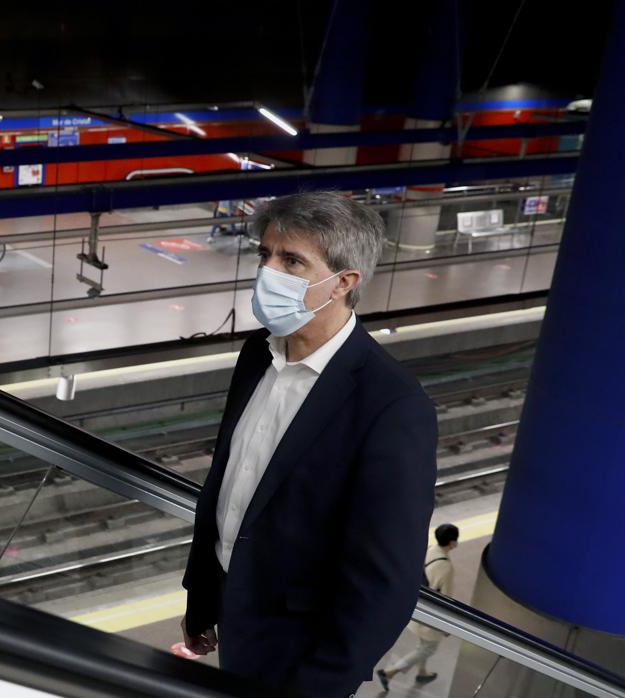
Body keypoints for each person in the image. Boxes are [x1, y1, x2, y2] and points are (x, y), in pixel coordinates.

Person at [180, 192, 438, 698]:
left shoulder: (391, 405)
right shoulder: (258, 352)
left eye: (291, 260)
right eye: (265, 254)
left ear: (344, 283)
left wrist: (320, 685)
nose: (267, 271)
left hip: (299, 655)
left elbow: (386, 581)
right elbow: (230, 483)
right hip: (235, 616)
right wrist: (203, 597)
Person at [377, 524, 461, 690]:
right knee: (427, 649)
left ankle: (422, 673)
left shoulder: (431, 550)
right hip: (430, 620)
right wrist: (446, 627)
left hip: (417, 607)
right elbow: (446, 599)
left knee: (424, 646)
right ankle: (389, 672)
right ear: (452, 543)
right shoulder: (446, 568)